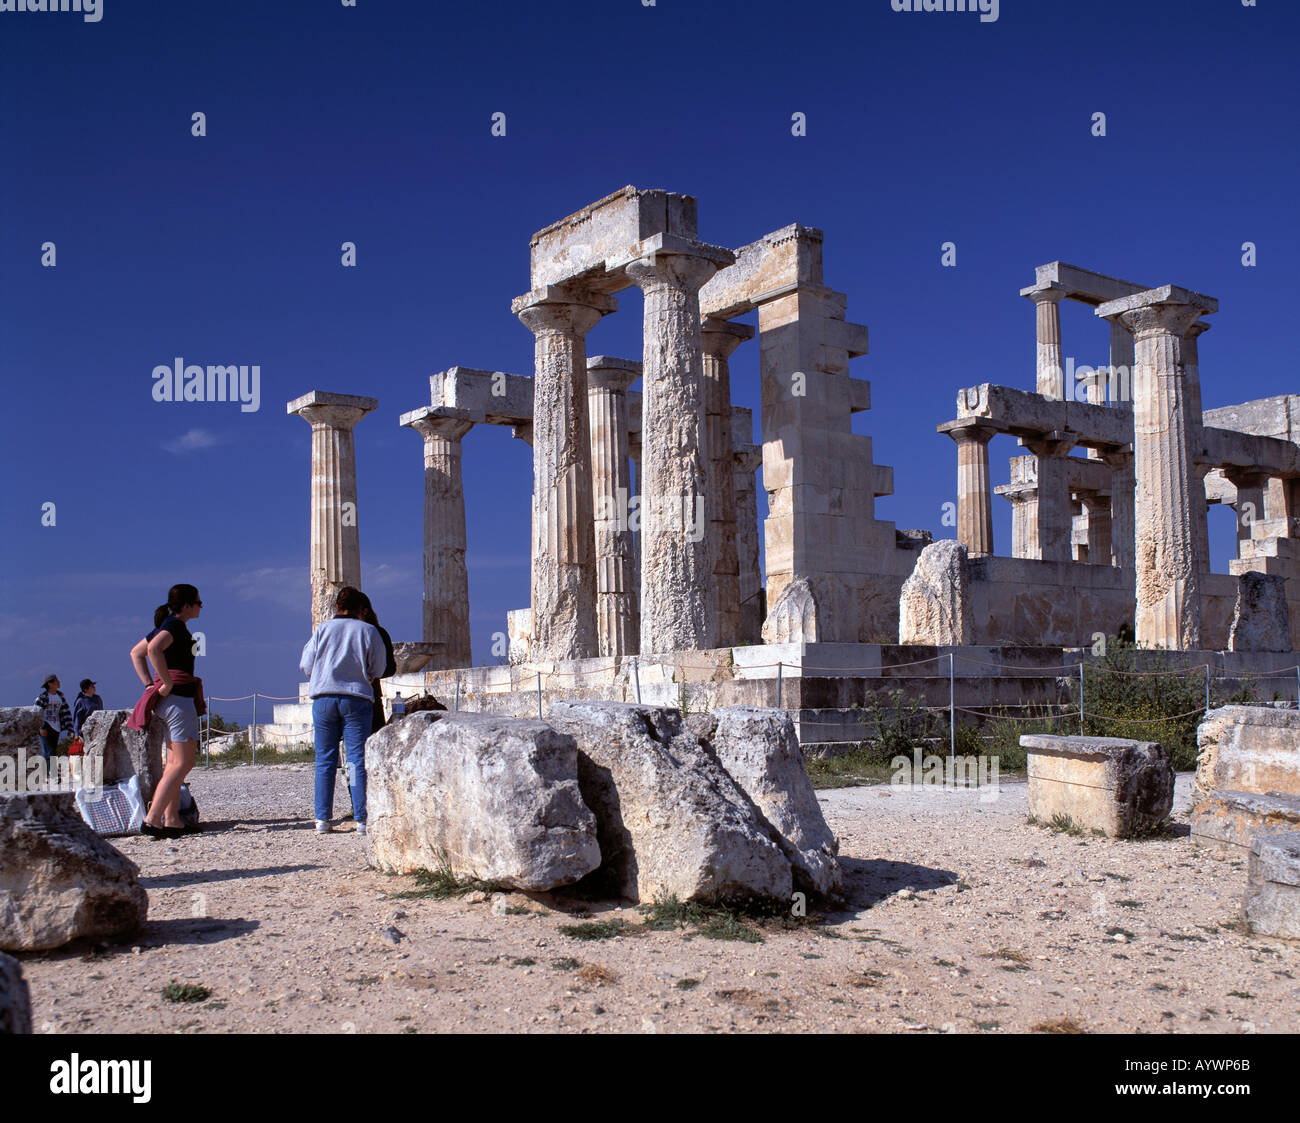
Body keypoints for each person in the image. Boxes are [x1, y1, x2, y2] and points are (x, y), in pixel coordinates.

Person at [300, 585, 384, 835]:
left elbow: (306, 665)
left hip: (324, 698)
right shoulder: (368, 630)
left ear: (336, 606)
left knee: (324, 760)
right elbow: (378, 668)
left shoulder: (322, 630)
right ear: (361, 609)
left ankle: (322, 819)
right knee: (356, 761)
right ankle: (361, 819)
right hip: (356, 698)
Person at [129, 584, 206, 839]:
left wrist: (150, 684)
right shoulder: (173, 627)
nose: (200, 606)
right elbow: (151, 651)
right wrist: (166, 682)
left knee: (174, 763)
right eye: (198, 602)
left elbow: (135, 653)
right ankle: (153, 819)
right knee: (184, 761)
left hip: (169, 700)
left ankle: (172, 819)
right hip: (177, 699)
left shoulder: (167, 627)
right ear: (186, 606)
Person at [356, 593, 396, 736]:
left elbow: (390, 668)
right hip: (367, 696)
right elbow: (389, 668)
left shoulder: (376, 633)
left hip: (367, 698)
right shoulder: (377, 632)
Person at [35, 674, 73, 767]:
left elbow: (66, 712)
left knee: (53, 750)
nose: (59, 682)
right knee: (49, 751)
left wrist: (69, 728)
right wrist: (41, 727)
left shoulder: (60, 697)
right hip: (46, 726)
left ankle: (50, 773)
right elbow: (36, 713)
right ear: (50, 683)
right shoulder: (42, 697)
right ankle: (50, 774)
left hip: (56, 727)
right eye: (56, 681)